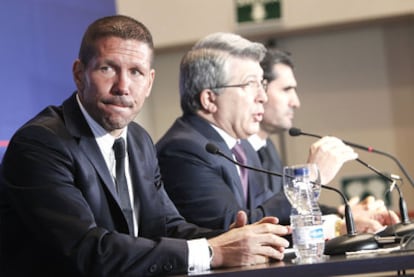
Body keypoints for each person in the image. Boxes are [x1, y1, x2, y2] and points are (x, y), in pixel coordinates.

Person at [0, 15, 291, 277]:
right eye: (107, 69)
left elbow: (168, 227)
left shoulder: (138, 140)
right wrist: (214, 251)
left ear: (150, 82)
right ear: (79, 74)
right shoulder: (41, 144)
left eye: (136, 72)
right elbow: (88, 250)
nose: (123, 86)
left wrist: (232, 236)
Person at [249, 48, 400, 235]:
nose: (295, 102)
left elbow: (284, 211)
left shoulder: (267, 148)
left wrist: (343, 212)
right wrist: (311, 180)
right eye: (287, 89)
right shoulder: (236, 151)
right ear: (258, 90)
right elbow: (258, 220)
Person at [156, 32, 295, 231]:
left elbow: (264, 211)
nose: (262, 96)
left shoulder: (243, 147)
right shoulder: (182, 150)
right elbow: (234, 229)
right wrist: (304, 185)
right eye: (250, 84)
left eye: (262, 84)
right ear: (210, 99)